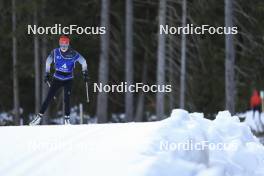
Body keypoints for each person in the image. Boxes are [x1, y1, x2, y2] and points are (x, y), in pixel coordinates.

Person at [30, 35, 88, 125]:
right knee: (49, 97)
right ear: (59, 44)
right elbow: (48, 61)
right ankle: (38, 117)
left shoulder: (73, 53)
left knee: (67, 99)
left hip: (68, 79)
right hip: (57, 78)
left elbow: (83, 61)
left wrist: (85, 73)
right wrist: (47, 73)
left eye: (65, 45)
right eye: (62, 45)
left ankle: (67, 119)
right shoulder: (55, 52)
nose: (63, 47)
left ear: (68, 44)